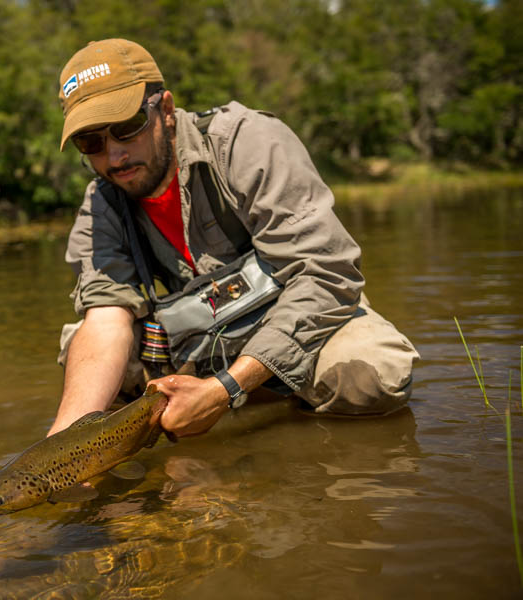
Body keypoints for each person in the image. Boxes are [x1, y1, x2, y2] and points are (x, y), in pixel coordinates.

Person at [47, 39, 419, 438]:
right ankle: (245, 406)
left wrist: (225, 389)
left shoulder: (246, 141)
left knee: (372, 373)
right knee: (84, 355)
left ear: (166, 111)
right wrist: (64, 448)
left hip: (290, 318)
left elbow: (327, 273)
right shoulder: (101, 205)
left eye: (126, 128)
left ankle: (274, 420)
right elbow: (106, 320)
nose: (114, 155)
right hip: (195, 342)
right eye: (92, 142)